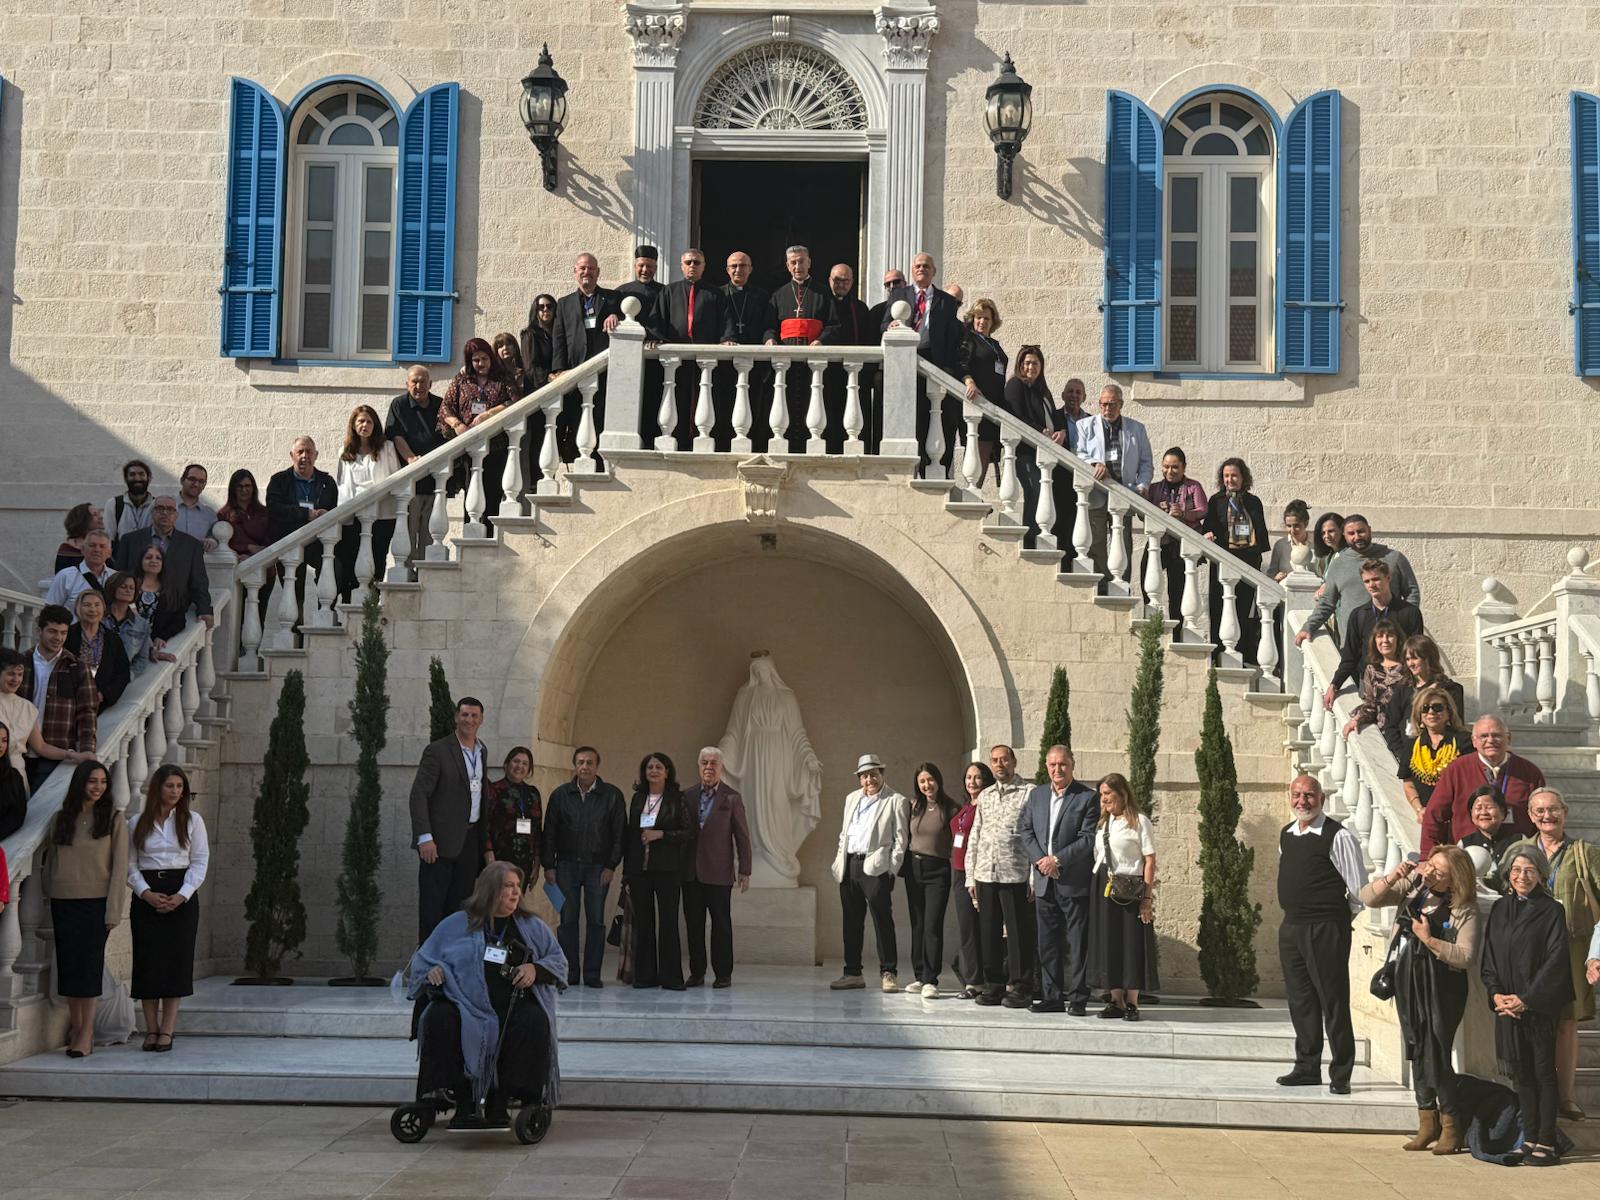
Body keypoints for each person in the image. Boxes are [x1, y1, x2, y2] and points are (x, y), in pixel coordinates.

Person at [406, 861, 564, 1129]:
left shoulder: (532, 926)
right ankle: (463, 1101)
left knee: (533, 1021)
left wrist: (535, 969)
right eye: (508, 887)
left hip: (513, 1004)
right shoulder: (455, 924)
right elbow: (423, 960)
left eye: (517, 886)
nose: (516, 893)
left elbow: (558, 962)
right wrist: (434, 970)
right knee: (439, 1018)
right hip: (464, 1004)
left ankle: (501, 1100)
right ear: (490, 890)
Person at [1360, 846, 1481, 1154]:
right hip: (1408, 981)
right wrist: (1392, 877)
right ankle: (1426, 1122)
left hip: (1443, 986)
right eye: (1430, 866)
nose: (1429, 873)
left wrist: (1429, 939)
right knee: (1415, 1047)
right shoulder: (1415, 885)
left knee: (1436, 1052)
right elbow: (1368, 898)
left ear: (1455, 877)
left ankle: (1451, 1124)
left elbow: (1466, 956)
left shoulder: (1463, 907)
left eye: (1438, 872)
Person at [1512, 787, 1600, 1121]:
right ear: (1530, 815)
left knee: (1566, 1023)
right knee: (1530, 1021)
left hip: (1571, 950)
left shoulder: (1585, 853)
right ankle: (1532, 1097)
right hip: (1529, 952)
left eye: (1553, 809)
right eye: (1539, 811)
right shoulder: (1520, 851)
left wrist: (1595, 953)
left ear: (1565, 810)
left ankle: (1566, 1097)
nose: (1547, 816)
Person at [1480, 843, 1572, 1165]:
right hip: (1507, 1005)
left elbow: (1556, 960)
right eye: (1517, 870)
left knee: (1544, 1073)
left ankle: (1547, 1141)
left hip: (1538, 1007)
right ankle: (1529, 1138)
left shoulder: (1551, 910)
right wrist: (1496, 995)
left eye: (1530, 870)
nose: (1522, 876)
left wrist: (1526, 999)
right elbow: (1489, 956)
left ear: (1540, 874)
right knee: (1521, 1076)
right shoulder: (1500, 909)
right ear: (1508, 873)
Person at [1275, 774, 1364, 1094]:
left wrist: (1335, 920)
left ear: (1321, 798)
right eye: (1296, 794)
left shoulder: (1337, 836)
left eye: (1309, 795)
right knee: (1301, 1001)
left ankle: (1341, 1074)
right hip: (1292, 927)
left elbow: (1358, 891)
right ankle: (1306, 1067)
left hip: (1326, 928)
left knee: (1333, 1001)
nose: (1302, 801)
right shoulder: (1287, 834)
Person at [45, 759, 128, 1057]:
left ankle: (87, 1032)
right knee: (69, 968)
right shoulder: (61, 819)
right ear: (80, 782)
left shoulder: (114, 819)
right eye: (92, 781)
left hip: (96, 904)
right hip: (63, 902)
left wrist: (113, 910)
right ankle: (76, 1027)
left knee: (89, 968)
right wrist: (51, 890)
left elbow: (120, 869)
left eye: (103, 782)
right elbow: (51, 862)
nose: (98, 787)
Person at [127, 764, 209, 1052]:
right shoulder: (137, 822)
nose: (175, 791)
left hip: (181, 894)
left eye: (179, 786)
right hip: (147, 895)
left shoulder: (192, 821)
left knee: (176, 962)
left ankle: (168, 1030)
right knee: (149, 961)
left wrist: (182, 895)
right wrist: (145, 893)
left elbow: (200, 862)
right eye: (169, 786)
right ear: (157, 788)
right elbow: (129, 864)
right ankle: (150, 1029)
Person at [1022, 745, 1099, 1015]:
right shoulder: (1037, 795)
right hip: (1044, 882)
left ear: (1072, 765)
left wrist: (1057, 860)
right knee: (1048, 942)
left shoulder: (1087, 798)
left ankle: (1078, 998)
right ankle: (1052, 996)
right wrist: (1042, 861)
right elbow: (1026, 830)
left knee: (1077, 944)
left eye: (1063, 764)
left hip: (1072, 882)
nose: (1058, 769)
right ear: (1046, 767)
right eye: (1053, 765)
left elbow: (1088, 838)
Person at [541, 746, 626, 989]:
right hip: (566, 866)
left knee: (596, 921)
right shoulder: (560, 795)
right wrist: (549, 865)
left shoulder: (612, 795)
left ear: (597, 766)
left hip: (598, 868)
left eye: (590, 762)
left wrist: (611, 865)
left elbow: (619, 834)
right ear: (574, 765)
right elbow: (550, 833)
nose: (585, 767)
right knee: (567, 920)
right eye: (581, 762)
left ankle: (591, 974)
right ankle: (569, 972)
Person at [410, 697, 489, 944]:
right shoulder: (438, 751)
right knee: (433, 910)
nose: (469, 720)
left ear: (481, 720)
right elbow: (419, 795)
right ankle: (428, 971)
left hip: (469, 841)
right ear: (457, 717)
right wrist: (425, 837)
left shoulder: (481, 751)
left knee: (460, 911)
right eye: (465, 715)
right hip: (439, 844)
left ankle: (452, 968)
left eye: (474, 716)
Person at [964, 744, 1037, 1008]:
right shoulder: (985, 795)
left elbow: (1034, 835)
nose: (999, 765)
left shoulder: (1029, 793)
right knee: (989, 932)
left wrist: (1033, 878)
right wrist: (970, 876)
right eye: (994, 761)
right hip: (986, 873)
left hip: (1015, 874)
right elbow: (975, 834)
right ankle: (993, 985)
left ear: (1014, 761)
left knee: (1018, 934)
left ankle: (1021, 986)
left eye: (1004, 760)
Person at [829, 753, 909, 993]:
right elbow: (845, 833)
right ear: (859, 778)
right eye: (864, 776)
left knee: (882, 920)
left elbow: (901, 839)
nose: (869, 780)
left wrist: (892, 869)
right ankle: (852, 973)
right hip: (850, 865)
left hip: (876, 867)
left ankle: (889, 972)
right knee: (851, 923)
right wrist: (838, 861)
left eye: (874, 774)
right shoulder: (851, 798)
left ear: (882, 774)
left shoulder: (896, 800)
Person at [882, 252, 962, 475]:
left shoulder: (945, 301)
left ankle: (932, 468)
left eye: (926, 266)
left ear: (934, 271)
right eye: (917, 266)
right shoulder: (899, 294)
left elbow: (951, 337)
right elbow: (884, 324)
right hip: (904, 362)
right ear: (912, 270)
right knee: (910, 418)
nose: (921, 269)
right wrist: (891, 326)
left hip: (933, 363)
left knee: (933, 417)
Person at [648, 247, 734, 449]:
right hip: (677, 362)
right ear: (681, 266)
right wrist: (655, 337)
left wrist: (726, 338)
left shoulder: (716, 293)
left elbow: (725, 321)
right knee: (677, 400)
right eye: (688, 262)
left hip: (706, 360)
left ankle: (704, 440)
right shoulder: (668, 291)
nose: (692, 266)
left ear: (704, 266)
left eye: (697, 262)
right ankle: (679, 441)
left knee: (707, 400)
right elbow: (657, 320)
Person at [1088, 772, 1157, 1020]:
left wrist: (1147, 899)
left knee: (1130, 945)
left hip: (1130, 889)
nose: (1103, 799)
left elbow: (1150, 860)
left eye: (1108, 794)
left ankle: (1132, 1002)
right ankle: (1115, 999)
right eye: (1101, 795)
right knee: (1109, 944)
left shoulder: (1139, 821)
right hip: (1103, 888)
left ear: (1122, 793)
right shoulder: (1104, 824)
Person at [1420, 715, 1544, 853]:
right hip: (1467, 858)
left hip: (1518, 859)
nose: (1490, 740)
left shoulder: (1529, 772)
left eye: (1497, 735)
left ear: (1508, 738)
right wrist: (1426, 856)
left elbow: (1542, 817)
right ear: (1474, 741)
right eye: (1484, 736)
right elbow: (1434, 815)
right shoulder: (1457, 770)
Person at [681, 746, 751, 989]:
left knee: (721, 924)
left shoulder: (731, 798)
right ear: (698, 766)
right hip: (690, 873)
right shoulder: (687, 796)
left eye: (714, 763)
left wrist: (745, 869)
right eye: (704, 762)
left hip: (719, 873)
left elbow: (742, 836)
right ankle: (697, 972)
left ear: (721, 768)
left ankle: (723, 974)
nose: (709, 767)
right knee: (694, 925)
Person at [1296, 515, 1422, 648]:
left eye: (1361, 531)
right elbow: (1327, 601)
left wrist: (1406, 620)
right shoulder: (1338, 564)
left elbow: (1412, 591)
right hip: (1354, 643)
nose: (1357, 537)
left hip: (1392, 642)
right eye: (1351, 533)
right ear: (1344, 535)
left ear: (1369, 530)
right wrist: (1309, 627)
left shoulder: (1394, 558)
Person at [622, 752, 691, 990]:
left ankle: (671, 977)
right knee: (644, 922)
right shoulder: (638, 798)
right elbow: (631, 836)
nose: (653, 771)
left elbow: (687, 832)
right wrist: (627, 873)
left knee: (668, 923)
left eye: (658, 767)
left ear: (667, 771)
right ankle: (645, 976)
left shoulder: (676, 798)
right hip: (640, 870)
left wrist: (660, 834)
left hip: (668, 870)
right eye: (649, 767)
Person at [764, 245, 840, 452]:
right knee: (785, 402)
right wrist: (770, 339)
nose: (798, 266)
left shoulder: (823, 293)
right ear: (788, 266)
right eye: (793, 262)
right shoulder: (778, 295)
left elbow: (834, 325)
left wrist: (821, 340)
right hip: (786, 360)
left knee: (812, 401)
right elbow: (769, 326)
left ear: (809, 263)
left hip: (812, 359)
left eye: (801, 261)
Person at [1076, 384, 1153, 578]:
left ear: (1121, 404)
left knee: (1123, 545)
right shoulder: (1084, 426)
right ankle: (1103, 587)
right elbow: (1078, 453)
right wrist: (1094, 463)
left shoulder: (1137, 429)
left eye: (1112, 404)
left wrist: (1142, 485)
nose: (1107, 409)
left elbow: (1146, 463)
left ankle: (1122, 587)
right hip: (1096, 493)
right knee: (1096, 544)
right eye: (1103, 405)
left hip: (1124, 494)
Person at [18, 606, 98, 792]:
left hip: (56, 748)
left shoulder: (76, 667)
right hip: (19, 747)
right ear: (39, 631)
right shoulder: (21, 663)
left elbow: (87, 711)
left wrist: (87, 748)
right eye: (52, 631)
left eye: (63, 632)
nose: (58, 638)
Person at [439, 337, 517, 525]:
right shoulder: (462, 379)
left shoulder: (502, 378)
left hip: (495, 446)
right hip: (468, 447)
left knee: (492, 492)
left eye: (484, 359)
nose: (480, 364)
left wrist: (488, 414)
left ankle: (490, 537)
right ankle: (471, 533)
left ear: (490, 358)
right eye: (476, 360)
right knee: (471, 491)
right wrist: (458, 425)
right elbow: (445, 407)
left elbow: (514, 401)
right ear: (469, 361)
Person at [551, 253, 621, 458]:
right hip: (575, 370)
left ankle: (599, 460)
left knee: (599, 415)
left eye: (591, 268)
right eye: (582, 268)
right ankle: (573, 457)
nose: (586, 272)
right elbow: (559, 337)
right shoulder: (564, 303)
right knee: (573, 417)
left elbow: (627, 317)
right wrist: (559, 369)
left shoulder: (613, 299)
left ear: (598, 272)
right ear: (575, 272)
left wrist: (616, 315)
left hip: (603, 372)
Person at [1005, 345, 1075, 552]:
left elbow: (1054, 417)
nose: (1031, 367)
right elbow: (1015, 416)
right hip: (1026, 453)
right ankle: (1030, 543)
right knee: (1035, 492)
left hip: (1044, 454)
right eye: (1027, 363)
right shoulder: (1016, 385)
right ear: (1020, 365)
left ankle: (1040, 539)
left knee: (1043, 495)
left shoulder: (1043, 390)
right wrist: (1040, 432)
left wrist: (1061, 431)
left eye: (1035, 363)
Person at [1327, 560, 1424, 705]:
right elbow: (1350, 656)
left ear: (1388, 578)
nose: (1371, 585)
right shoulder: (1358, 615)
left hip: (1403, 686)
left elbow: (1417, 653)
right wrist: (1334, 685)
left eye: (1376, 579)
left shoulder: (1410, 613)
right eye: (1367, 581)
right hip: (1369, 686)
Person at [1202, 457, 1268, 663]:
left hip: (1246, 564)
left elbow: (1261, 534)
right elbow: (1208, 528)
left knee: (1242, 609)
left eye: (1234, 475)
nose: (1230, 479)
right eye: (1226, 476)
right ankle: (1217, 654)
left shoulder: (1253, 502)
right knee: (1219, 606)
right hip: (1222, 563)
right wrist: (1208, 535)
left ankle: (1239, 652)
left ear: (1243, 478)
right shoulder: (1216, 501)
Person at [264, 437, 338, 620]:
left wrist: (323, 514)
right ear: (292, 456)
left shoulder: (327, 482)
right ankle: (297, 637)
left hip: (317, 542)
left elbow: (335, 511)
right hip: (289, 542)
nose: (305, 456)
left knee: (334, 567)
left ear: (316, 455)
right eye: (300, 452)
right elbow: (274, 508)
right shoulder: (279, 480)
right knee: (295, 593)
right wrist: (305, 514)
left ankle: (325, 614)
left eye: (309, 452)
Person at [112, 496, 213, 629]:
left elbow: (199, 582)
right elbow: (119, 576)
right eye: (160, 508)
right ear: (152, 512)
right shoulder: (129, 540)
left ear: (176, 515)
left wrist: (205, 609)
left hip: (172, 614)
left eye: (170, 510)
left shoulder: (191, 546)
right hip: (132, 614)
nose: (165, 513)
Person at [902, 762, 959, 998]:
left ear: (938, 780)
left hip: (938, 870)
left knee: (932, 924)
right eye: (922, 781)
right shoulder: (913, 806)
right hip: (914, 868)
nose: (927, 785)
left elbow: (958, 842)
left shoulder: (951, 808)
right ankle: (918, 975)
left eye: (930, 780)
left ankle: (930, 979)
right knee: (917, 923)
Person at [332, 404, 400, 600]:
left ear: (375, 425)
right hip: (353, 518)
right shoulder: (344, 452)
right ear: (353, 425)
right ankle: (350, 600)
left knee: (377, 560)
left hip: (382, 515)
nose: (365, 425)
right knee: (351, 559)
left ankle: (373, 601)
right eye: (361, 421)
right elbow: (341, 482)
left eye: (369, 421)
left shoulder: (386, 448)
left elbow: (395, 477)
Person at [385, 365, 446, 564]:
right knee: (408, 535)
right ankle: (408, 575)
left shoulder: (440, 404)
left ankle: (426, 578)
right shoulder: (399, 405)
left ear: (430, 384)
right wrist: (411, 459)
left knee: (430, 537)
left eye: (422, 382)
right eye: (414, 381)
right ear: (407, 384)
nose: (418, 385)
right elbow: (395, 435)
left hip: (435, 482)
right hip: (410, 483)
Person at [0, 648, 79, 793]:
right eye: (11, 674)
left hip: (17, 778)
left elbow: (41, 747)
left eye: (20, 674)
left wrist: (71, 754)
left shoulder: (27, 707)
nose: (16, 679)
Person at [717, 251, 773, 450]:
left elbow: (768, 324)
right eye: (733, 266)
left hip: (754, 363)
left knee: (755, 404)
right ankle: (724, 445)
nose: (738, 270)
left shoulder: (761, 296)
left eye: (742, 266)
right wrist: (725, 339)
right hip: (725, 363)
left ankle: (755, 445)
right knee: (725, 404)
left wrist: (769, 339)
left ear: (750, 269)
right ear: (727, 270)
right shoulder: (718, 294)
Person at [1144, 447, 1207, 617]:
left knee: (1177, 589)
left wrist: (1184, 513)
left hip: (1181, 544)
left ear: (1183, 467)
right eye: (1165, 466)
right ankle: (1150, 619)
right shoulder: (1155, 488)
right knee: (1146, 578)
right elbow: (1144, 515)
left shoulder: (1193, 486)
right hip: (1159, 541)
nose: (1169, 471)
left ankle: (1176, 633)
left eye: (1174, 467)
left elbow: (1202, 510)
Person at [1380, 634, 1464, 757]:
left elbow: (1456, 725)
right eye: (1407, 659)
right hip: (1408, 756)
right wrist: (1403, 754)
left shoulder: (1450, 689)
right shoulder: (1402, 690)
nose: (1410, 664)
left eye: (1414, 658)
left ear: (1428, 658)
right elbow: (1391, 725)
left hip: (1440, 756)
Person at [949, 760, 992, 1000]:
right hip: (958, 872)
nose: (972, 782)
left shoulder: (985, 806)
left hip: (977, 873)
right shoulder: (966, 807)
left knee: (980, 927)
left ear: (985, 781)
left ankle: (981, 981)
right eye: (968, 777)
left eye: (977, 777)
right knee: (966, 929)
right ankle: (972, 979)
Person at [1397, 687, 1472, 819]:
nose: (1431, 712)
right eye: (1425, 708)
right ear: (1419, 714)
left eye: (1437, 707)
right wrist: (1419, 809)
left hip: (1458, 815)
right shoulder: (1413, 744)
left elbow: (1471, 780)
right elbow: (1408, 782)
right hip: (1426, 817)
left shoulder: (1464, 741)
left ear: (1449, 712)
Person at [822, 263, 874, 452]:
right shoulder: (821, 303)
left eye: (846, 280)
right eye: (837, 280)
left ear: (852, 282)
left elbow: (867, 340)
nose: (841, 284)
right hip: (826, 371)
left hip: (852, 372)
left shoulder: (860, 308)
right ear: (829, 280)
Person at [958, 298, 1009, 486]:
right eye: (979, 317)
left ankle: (976, 492)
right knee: (977, 450)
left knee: (987, 451)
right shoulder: (969, 339)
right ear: (973, 319)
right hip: (978, 404)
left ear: (992, 321)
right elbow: (961, 363)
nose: (982, 322)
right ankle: (973, 493)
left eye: (987, 318)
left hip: (994, 407)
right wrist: (969, 381)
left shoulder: (994, 344)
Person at [482, 746, 542, 888]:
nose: (520, 766)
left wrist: (537, 864)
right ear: (506, 764)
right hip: (499, 862)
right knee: (497, 906)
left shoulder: (533, 794)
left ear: (529, 769)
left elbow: (538, 829)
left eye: (525, 763)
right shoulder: (494, 789)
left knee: (516, 905)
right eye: (516, 761)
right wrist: (490, 860)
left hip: (525, 863)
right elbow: (485, 825)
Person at [1339, 618, 1407, 740]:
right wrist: (1356, 719)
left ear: (1398, 639)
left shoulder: (1408, 668)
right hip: (1384, 732)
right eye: (1380, 636)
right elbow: (1370, 703)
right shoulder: (1371, 670)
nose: (1385, 640)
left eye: (1390, 636)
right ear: (1374, 641)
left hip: (1406, 728)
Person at [67, 588, 130, 711]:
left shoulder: (113, 639)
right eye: (87, 605)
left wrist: (104, 695)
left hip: (99, 704)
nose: (93, 610)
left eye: (97, 605)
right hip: (70, 701)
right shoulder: (68, 634)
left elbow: (123, 673)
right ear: (78, 608)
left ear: (103, 608)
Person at [1459, 786, 1518, 892]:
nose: (1484, 812)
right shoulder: (1464, 844)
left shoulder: (1518, 841)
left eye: (1489, 807)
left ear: (1503, 812)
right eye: (1478, 808)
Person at [43, 529, 114, 608]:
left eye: (102, 546)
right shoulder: (65, 576)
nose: (97, 550)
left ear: (109, 553)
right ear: (82, 550)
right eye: (92, 545)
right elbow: (50, 611)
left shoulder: (116, 578)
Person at [216, 469, 269, 559]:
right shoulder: (223, 514)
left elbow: (270, 539)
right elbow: (222, 543)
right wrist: (247, 548)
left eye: (247, 486)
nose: (244, 490)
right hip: (236, 562)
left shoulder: (264, 512)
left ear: (253, 488)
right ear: (233, 489)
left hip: (262, 562)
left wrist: (253, 555)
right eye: (239, 486)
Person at [105, 458, 154, 550]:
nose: (137, 478)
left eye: (141, 474)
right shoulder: (114, 504)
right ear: (125, 478)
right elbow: (108, 538)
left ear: (149, 478)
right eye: (132, 474)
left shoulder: (156, 505)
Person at [517, 294, 557, 394]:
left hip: (557, 386)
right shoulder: (530, 334)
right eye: (541, 307)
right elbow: (529, 366)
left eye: (549, 306)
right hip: (538, 388)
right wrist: (549, 376)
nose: (545, 309)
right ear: (536, 310)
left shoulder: (557, 334)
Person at [173, 464, 218, 549]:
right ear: (182, 480)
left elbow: (215, 538)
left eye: (201, 481)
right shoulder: (163, 506)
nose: (196, 484)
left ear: (204, 485)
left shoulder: (210, 515)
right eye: (192, 479)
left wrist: (211, 541)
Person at [1267, 499, 1312, 581]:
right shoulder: (1280, 545)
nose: (1292, 530)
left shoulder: (1316, 544)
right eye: (1289, 526)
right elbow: (1270, 575)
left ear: (1306, 523)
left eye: (1296, 525)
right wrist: (1276, 578)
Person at [614, 243, 663, 314]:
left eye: (649, 266)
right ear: (635, 267)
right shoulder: (622, 291)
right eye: (641, 265)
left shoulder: (665, 292)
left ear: (655, 268)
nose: (645, 270)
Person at [54, 502, 102, 573]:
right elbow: (62, 577)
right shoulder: (67, 548)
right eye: (95, 514)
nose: (101, 517)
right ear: (83, 520)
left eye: (99, 514)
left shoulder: (104, 545)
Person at [491, 331, 538, 398]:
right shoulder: (495, 374)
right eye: (500, 346)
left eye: (508, 344)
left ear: (515, 347)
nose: (505, 348)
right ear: (496, 351)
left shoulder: (526, 366)